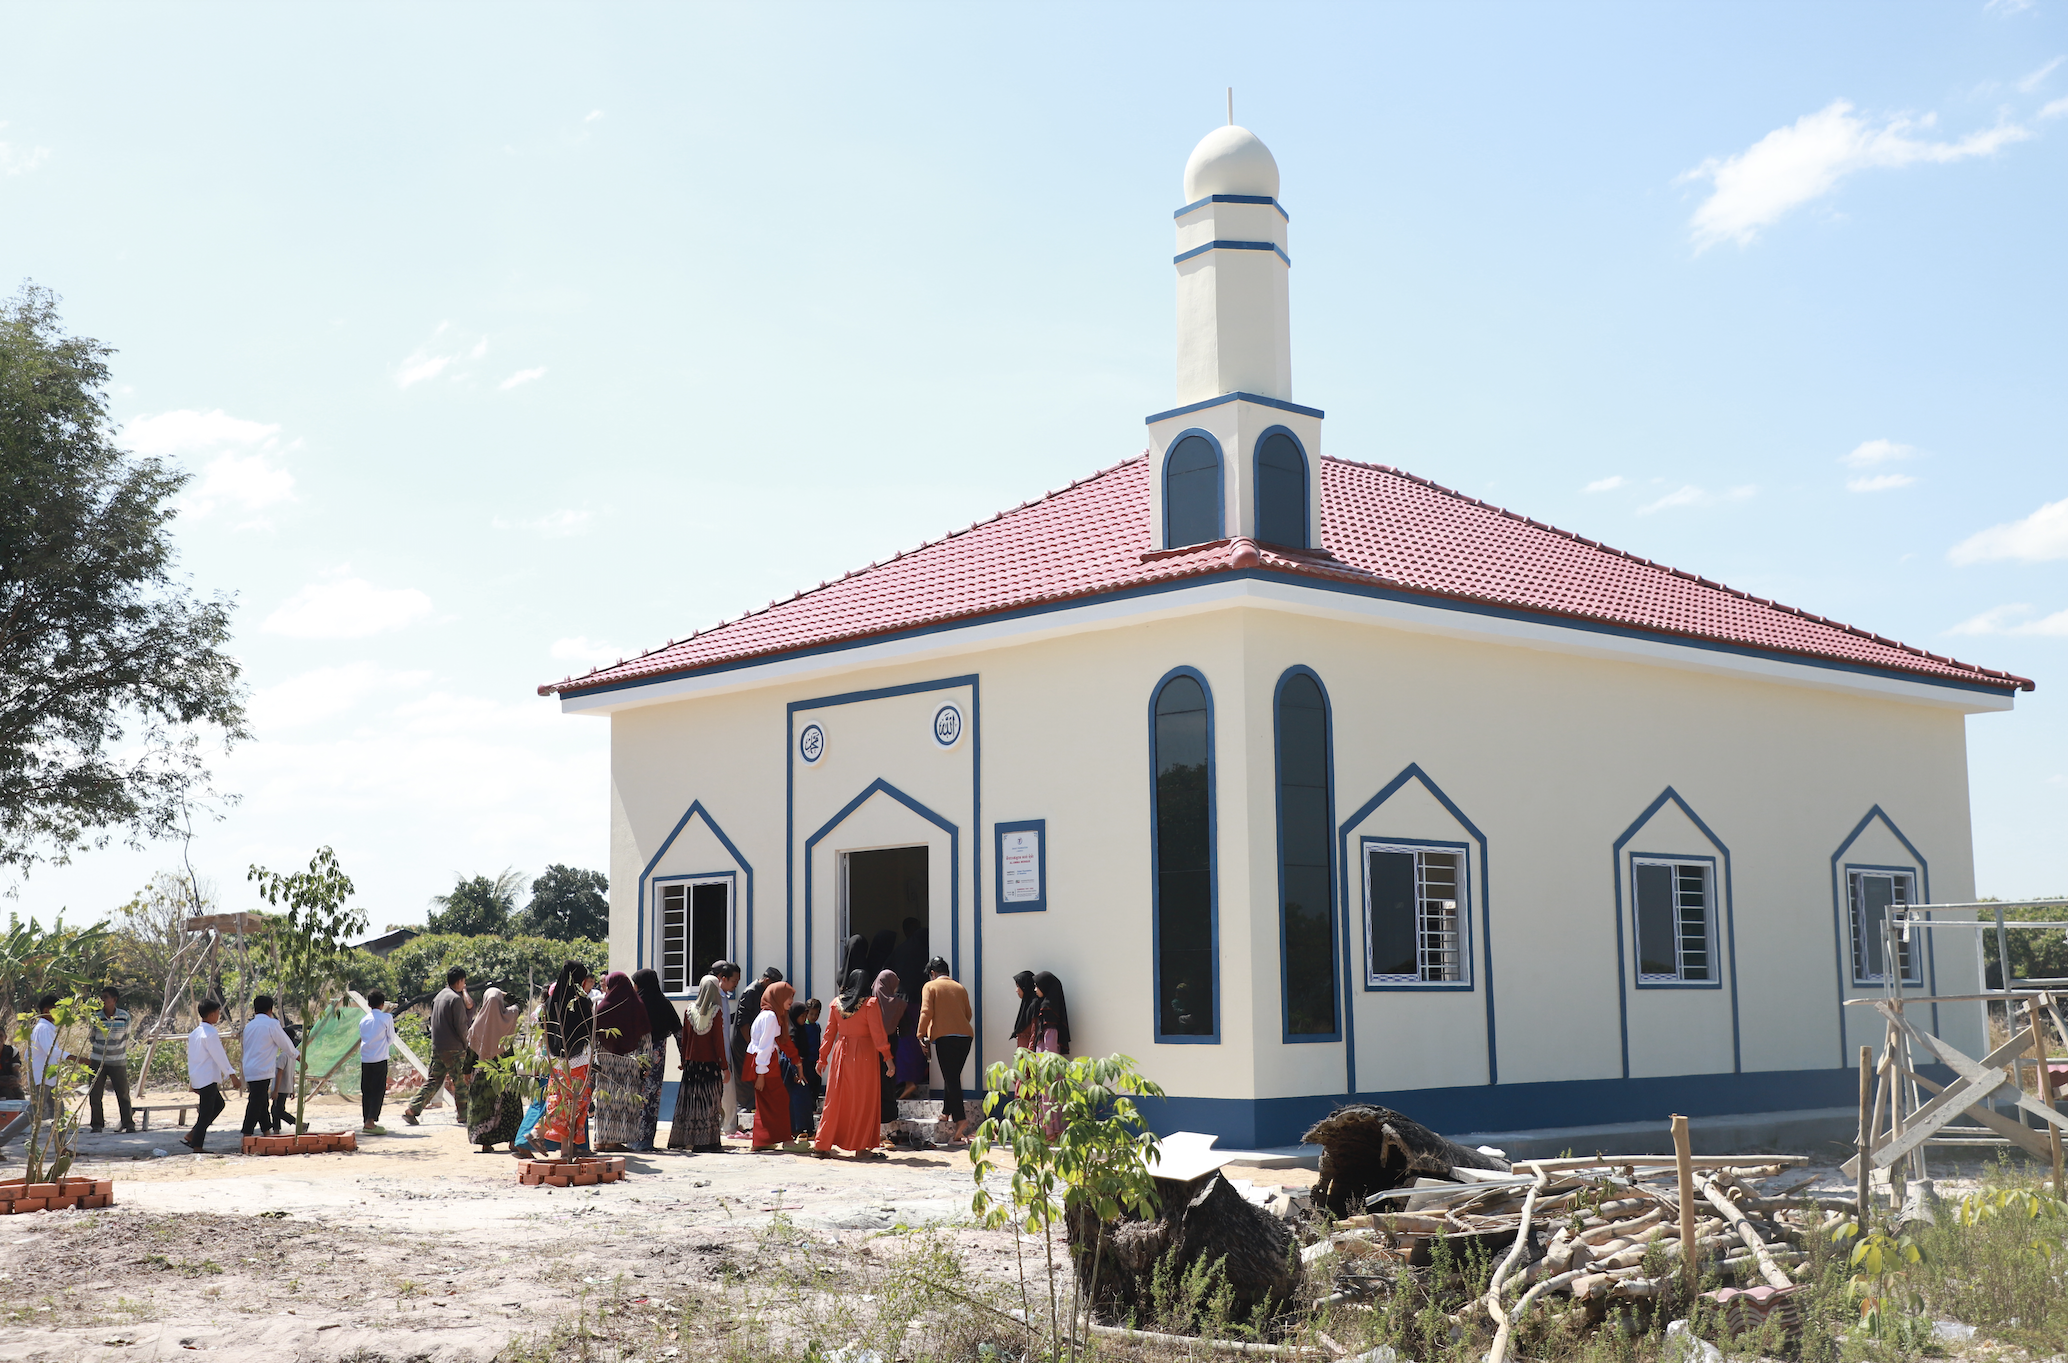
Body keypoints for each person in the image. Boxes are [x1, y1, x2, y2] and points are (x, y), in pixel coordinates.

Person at [813, 969, 894, 1160]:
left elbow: (828, 1034)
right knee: (863, 1100)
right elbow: (878, 1035)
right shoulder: (870, 1004)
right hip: (865, 1055)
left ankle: (821, 1144)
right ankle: (861, 1146)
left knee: (835, 1101)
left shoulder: (835, 1004)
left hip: (841, 1055)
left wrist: (822, 1058)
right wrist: (888, 1059)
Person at [532, 959, 595, 1157]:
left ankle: (562, 1149)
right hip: (577, 1060)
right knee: (577, 1102)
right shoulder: (581, 1001)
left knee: (559, 1101)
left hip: (556, 1061)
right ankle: (557, 1144)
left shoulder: (551, 1001)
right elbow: (589, 1030)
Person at [402, 966, 474, 1127]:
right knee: (461, 1081)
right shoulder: (455, 999)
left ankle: (412, 1109)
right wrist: (467, 1045)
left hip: (438, 1046)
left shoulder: (439, 996)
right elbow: (461, 1026)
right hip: (454, 1048)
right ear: (461, 981)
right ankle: (464, 1115)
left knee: (434, 1081)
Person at [589, 971, 651, 1151]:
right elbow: (645, 1037)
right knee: (624, 1102)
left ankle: (601, 1140)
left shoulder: (601, 1008)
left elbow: (593, 1037)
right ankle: (615, 1142)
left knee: (604, 1101)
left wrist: (592, 1060)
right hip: (629, 1061)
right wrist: (645, 1063)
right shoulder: (637, 1006)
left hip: (605, 1061)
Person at [668, 974, 730, 1152]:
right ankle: (707, 1142)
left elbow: (685, 1040)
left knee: (690, 1103)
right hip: (709, 1066)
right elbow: (718, 1043)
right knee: (708, 1103)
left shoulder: (688, 1010)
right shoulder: (716, 1012)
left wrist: (683, 1061)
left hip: (692, 1066)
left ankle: (688, 1139)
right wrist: (724, 1067)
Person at [917, 958, 973, 1141]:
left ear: (932, 973)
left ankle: (960, 1120)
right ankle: (946, 1112)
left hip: (945, 1038)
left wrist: (920, 1034)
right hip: (965, 1037)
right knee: (952, 1076)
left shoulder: (930, 986)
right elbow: (968, 1014)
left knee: (951, 1078)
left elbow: (926, 1011)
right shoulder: (959, 987)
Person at [464, 986, 525, 1153]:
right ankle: (513, 1141)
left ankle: (485, 1143)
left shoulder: (476, 1025)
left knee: (485, 1107)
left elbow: (471, 1053)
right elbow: (521, 1002)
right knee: (510, 1105)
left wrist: (466, 1071)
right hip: (506, 1073)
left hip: (484, 1074)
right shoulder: (509, 1017)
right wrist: (505, 994)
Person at [747, 982, 803, 1151]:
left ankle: (761, 1141)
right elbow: (764, 1046)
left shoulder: (767, 1015)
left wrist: (797, 1062)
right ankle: (786, 1140)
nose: (791, 1001)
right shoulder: (771, 1017)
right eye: (788, 996)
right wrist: (762, 1074)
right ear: (777, 997)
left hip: (759, 1063)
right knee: (780, 1100)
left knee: (765, 1103)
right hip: (764, 1064)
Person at [630, 968, 679, 1152]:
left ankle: (633, 1139)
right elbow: (678, 1032)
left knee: (636, 1097)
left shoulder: (636, 1004)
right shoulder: (663, 1003)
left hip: (636, 1057)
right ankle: (646, 1140)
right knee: (652, 1098)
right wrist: (684, 1057)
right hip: (657, 1059)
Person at [183, 999, 238, 1153]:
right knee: (206, 1113)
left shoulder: (195, 1033)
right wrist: (232, 1074)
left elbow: (192, 1057)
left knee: (218, 1105)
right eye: (218, 1013)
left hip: (199, 1075)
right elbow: (219, 1055)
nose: (218, 1016)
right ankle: (197, 1145)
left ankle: (193, 1134)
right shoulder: (210, 1033)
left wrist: (192, 1079)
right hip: (208, 1077)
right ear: (213, 1014)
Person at [239, 995, 297, 1140]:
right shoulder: (272, 1024)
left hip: (249, 1069)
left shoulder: (249, 1026)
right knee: (256, 1102)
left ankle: (266, 1131)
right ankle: (246, 1134)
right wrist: (298, 1056)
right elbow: (286, 1044)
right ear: (271, 1010)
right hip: (262, 1070)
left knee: (262, 1101)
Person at [732, 967, 782, 1120]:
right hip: (744, 1043)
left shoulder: (763, 993)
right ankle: (743, 1109)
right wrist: (752, 1045)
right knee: (744, 1076)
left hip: (756, 1043)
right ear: (767, 981)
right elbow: (743, 1022)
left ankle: (752, 1106)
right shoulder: (751, 992)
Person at [87, 987, 136, 1133]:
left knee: (123, 1094)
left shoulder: (124, 1017)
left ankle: (128, 1123)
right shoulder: (96, 1017)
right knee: (95, 1094)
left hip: (118, 1062)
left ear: (114, 1000)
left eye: (105, 997)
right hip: (97, 1061)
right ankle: (97, 1124)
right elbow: (92, 1037)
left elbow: (126, 1037)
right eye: (101, 997)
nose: (102, 1001)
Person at [358, 990, 398, 1134]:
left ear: (369, 1004)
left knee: (367, 1090)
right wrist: (383, 1045)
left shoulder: (363, 1020)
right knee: (378, 1090)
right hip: (380, 1058)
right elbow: (391, 1038)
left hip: (366, 1059)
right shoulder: (386, 1018)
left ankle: (366, 1119)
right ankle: (371, 1120)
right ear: (382, 1004)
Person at [873, 970, 906, 1142]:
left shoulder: (870, 1003)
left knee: (876, 1079)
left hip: (873, 1044)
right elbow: (905, 1026)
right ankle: (889, 1114)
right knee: (888, 1079)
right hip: (891, 1044)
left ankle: (876, 1115)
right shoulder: (898, 1003)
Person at [710, 961, 742, 1140]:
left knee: (727, 1091)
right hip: (717, 1052)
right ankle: (728, 1126)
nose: (736, 984)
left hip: (724, 1050)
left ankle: (728, 1125)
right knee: (725, 1091)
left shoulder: (724, 996)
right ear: (722, 978)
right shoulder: (714, 996)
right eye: (734, 980)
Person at [28, 994, 66, 1124]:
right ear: (47, 1011)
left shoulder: (47, 1027)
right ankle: (3, 1137)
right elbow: (51, 1051)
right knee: (32, 1112)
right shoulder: (43, 1028)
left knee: (59, 1111)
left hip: (48, 1077)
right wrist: (75, 1058)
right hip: (41, 1078)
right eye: (57, 1009)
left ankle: (61, 1142)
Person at [787, 999, 822, 1138]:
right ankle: (797, 1128)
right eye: (809, 1014)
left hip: (811, 1062)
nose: (813, 1017)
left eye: (816, 1014)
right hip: (800, 1066)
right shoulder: (794, 1031)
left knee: (810, 1092)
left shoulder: (814, 1027)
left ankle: (806, 1126)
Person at [267, 1021, 303, 1134]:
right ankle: (276, 1129)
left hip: (281, 1087)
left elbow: (280, 1073)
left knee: (277, 1110)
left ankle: (299, 1124)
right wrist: (292, 1088)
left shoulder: (283, 1055)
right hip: (286, 1086)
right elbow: (292, 1073)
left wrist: (275, 1090)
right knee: (275, 1110)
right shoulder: (294, 1054)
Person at [1032, 971, 1071, 1054]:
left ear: (1044, 986)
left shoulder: (1048, 1008)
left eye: (1037, 986)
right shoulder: (1047, 1005)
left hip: (1046, 1059)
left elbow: (1050, 1039)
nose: (1035, 990)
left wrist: (1048, 1061)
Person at [1009, 970, 1038, 1051]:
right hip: (1023, 1051)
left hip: (1028, 1053)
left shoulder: (1034, 1005)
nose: (1016, 990)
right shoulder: (1026, 1004)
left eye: (1019, 986)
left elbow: (1034, 1032)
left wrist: (1029, 1055)